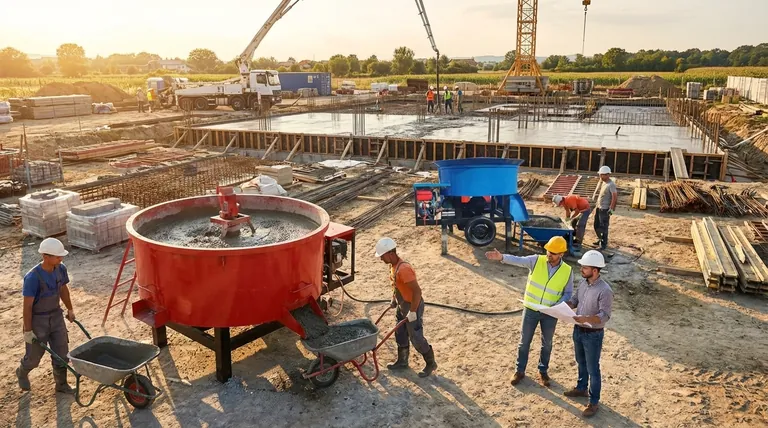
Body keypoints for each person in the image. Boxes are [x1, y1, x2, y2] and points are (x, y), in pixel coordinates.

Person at [485, 236, 573, 387]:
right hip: (531, 309)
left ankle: (543, 371)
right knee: (524, 342)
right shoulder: (536, 260)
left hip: (550, 313)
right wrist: (502, 257)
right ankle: (519, 371)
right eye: (548, 251)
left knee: (547, 343)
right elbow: (519, 260)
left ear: (561, 254)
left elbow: (568, 293)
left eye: (553, 253)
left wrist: (557, 305)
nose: (549, 254)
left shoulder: (567, 271)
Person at [17, 238, 76, 393]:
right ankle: (22, 371)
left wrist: (70, 309)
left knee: (62, 353)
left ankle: (61, 384)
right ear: (45, 256)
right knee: (33, 358)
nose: (61, 258)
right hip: (38, 321)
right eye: (57, 256)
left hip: (56, 316)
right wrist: (28, 330)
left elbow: (63, 290)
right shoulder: (32, 278)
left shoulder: (60, 269)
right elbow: (27, 307)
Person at [375, 237, 437, 378]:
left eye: (382, 256)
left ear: (391, 253)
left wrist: (413, 312)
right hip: (402, 305)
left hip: (412, 305)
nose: (381, 259)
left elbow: (417, 292)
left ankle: (431, 363)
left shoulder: (404, 269)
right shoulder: (393, 266)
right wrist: (394, 299)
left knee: (416, 337)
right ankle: (402, 361)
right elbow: (396, 285)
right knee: (401, 333)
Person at [565, 250, 614, 418]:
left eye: (585, 268)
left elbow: (605, 315)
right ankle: (581, 388)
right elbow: (575, 300)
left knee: (593, 368)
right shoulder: (583, 283)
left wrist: (586, 318)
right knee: (581, 362)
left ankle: (593, 402)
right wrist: (563, 307)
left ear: (595, 270)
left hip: (593, 335)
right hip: (578, 330)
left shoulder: (605, 290)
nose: (581, 270)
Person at [594, 166, 617, 250]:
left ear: (607, 175)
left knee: (603, 227)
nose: (600, 176)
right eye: (600, 175)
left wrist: (611, 209)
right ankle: (600, 239)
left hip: (605, 209)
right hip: (599, 208)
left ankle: (603, 244)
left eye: (602, 175)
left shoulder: (611, 184)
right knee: (596, 225)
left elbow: (614, 197)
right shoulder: (604, 183)